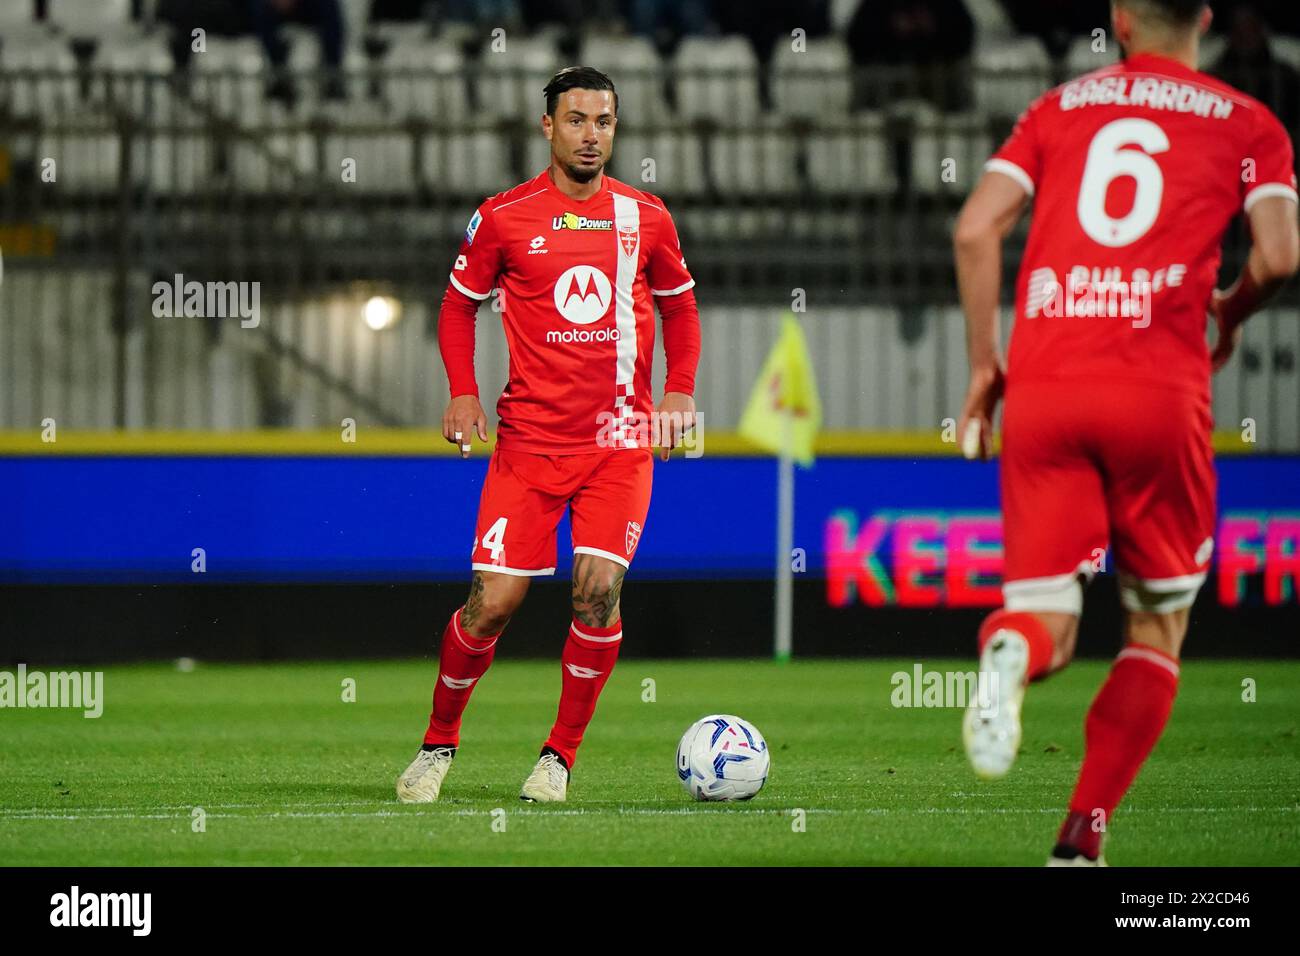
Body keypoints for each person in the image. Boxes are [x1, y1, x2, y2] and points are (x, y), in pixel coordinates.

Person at [953, 0, 1298, 864]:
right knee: (1155, 632)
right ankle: (1080, 839)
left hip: (1047, 383)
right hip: (1158, 389)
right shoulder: (1252, 122)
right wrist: (1233, 308)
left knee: (1048, 622)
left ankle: (1007, 650)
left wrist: (985, 366)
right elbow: (1280, 255)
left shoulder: (1060, 106)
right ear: (1207, 16)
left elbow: (974, 228)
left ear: (1120, 18)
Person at [397, 66, 702, 804]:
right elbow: (456, 306)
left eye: (603, 121)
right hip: (528, 446)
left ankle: (557, 760)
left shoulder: (647, 217)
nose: (591, 135)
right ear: (548, 127)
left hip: (619, 442)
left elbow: (680, 308)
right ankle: (438, 745)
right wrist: (463, 393)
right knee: (492, 604)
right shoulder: (503, 217)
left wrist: (679, 392)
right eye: (576, 120)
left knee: (597, 595)